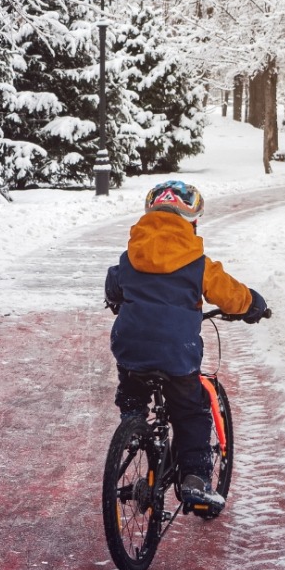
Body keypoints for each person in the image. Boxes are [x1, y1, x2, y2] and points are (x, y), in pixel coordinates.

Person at [104, 180, 267, 514]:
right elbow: (230, 295)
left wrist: (118, 299)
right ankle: (195, 477)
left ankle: (132, 421)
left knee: (131, 379)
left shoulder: (130, 256)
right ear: (191, 222)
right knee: (191, 411)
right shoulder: (198, 263)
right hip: (177, 352)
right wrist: (254, 305)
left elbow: (113, 285)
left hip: (131, 347)